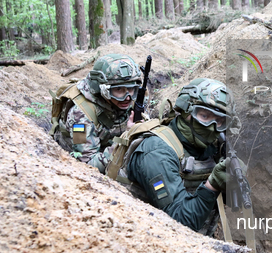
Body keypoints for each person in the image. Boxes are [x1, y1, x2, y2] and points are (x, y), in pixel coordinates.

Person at [125, 78, 238, 234]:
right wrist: (212, 185)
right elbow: (180, 223)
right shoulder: (156, 152)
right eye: (204, 116)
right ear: (186, 111)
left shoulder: (215, 145)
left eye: (219, 121)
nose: (212, 128)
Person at [52, 54, 142, 173]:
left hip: (107, 144)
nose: (127, 97)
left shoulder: (131, 98)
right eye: (119, 90)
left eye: (131, 89)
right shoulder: (80, 116)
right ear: (103, 89)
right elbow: (87, 166)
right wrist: (127, 138)